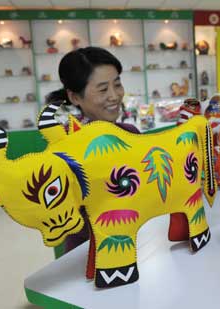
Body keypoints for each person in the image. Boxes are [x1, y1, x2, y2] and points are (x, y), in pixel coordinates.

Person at [46, 46, 140, 253]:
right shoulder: (64, 145)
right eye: (103, 89)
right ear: (75, 97)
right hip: (87, 252)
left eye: (117, 85)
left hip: (138, 243)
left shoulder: (130, 132)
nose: (114, 96)